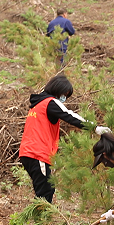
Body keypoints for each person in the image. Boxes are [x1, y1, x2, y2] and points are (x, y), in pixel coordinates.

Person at [19, 75, 109, 203]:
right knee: (45, 192)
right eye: (64, 95)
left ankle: (38, 220)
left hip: (28, 152)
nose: (64, 99)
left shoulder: (37, 104)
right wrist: (94, 127)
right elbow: (69, 115)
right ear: (58, 90)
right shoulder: (49, 102)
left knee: (44, 190)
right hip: (37, 153)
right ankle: (39, 221)